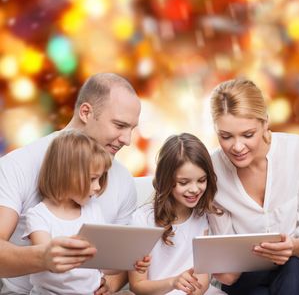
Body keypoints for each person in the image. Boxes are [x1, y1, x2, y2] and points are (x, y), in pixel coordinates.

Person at [0, 73, 141, 294]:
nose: (127, 140)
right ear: (86, 112)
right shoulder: (18, 165)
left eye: (131, 129)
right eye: (119, 125)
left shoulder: (123, 181)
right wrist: (43, 257)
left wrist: (111, 284)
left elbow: (117, 258)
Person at [208, 78, 299, 295]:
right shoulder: (212, 169)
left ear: (265, 122)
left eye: (248, 135)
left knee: (291, 266)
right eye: (226, 136)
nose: (237, 147)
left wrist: (292, 247)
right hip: (248, 274)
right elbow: (225, 250)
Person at [128, 133, 224, 295]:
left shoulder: (204, 216)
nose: (194, 189)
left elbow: (202, 280)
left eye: (201, 180)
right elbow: (137, 285)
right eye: (184, 182)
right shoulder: (142, 220)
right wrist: (173, 282)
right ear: (166, 180)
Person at [23, 130, 112, 294]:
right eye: (92, 178)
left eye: (100, 179)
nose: (98, 187)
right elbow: (48, 261)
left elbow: (105, 265)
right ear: (66, 174)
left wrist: (129, 261)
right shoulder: (38, 216)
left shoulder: (93, 209)